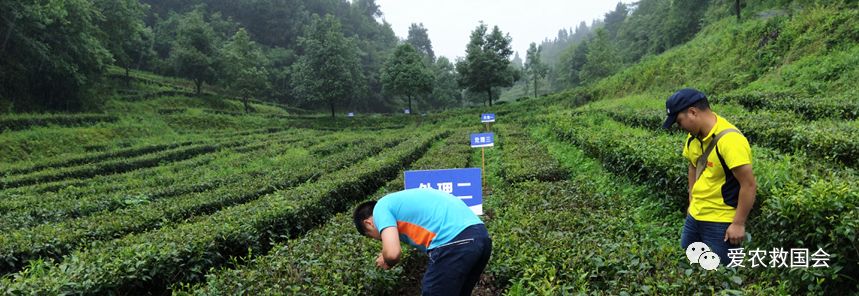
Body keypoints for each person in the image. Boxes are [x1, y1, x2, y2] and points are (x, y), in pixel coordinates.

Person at [662, 88, 757, 266]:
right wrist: (692, 198)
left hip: (720, 222)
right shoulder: (693, 137)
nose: (679, 127)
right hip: (695, 216)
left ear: (692, 112)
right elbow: (693, 165)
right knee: (689, 265)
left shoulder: (730, 140)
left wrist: (738, 223)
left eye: (679, 121)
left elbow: (749, 185)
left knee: (720, 277)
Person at [353, 188, 491, 295]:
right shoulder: (398, 203)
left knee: (433, 290)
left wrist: (386, 260)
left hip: (454, 241)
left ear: (369, 223)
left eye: (371, 236)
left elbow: (393, 253)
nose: (379, 238)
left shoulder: (380, 208)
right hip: (480, 237)